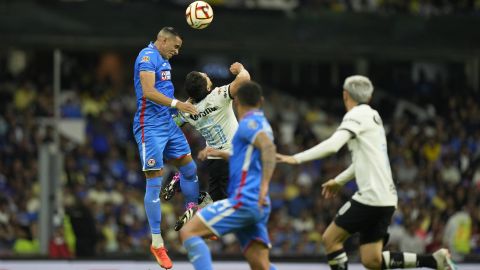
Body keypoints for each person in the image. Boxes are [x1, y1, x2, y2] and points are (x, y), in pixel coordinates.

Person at [277, 75, 456, 270]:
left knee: (330, 239)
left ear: (345, 95)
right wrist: (339, 180)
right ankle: (433, 261)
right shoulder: (374, 117)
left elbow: (333, 145)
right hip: (386, 198)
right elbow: (364, 162)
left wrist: (296, 158)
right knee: (372, 260)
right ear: (369, 98)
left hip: (371, 197)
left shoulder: (356, 115)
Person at [179, 81, 278, 270]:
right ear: (262, 101)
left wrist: (264, 186)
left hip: (245, 201)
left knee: (189, 232)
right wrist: (218, 153)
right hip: (258, 204)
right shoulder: (260, 123)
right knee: (260, 265)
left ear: (237, 101)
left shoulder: (249, 123)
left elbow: (268, 148)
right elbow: (248, 156)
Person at [132, 26, 200, 269]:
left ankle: (194, 217)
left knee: (190, 169)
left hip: (168, 124)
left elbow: (164, 94)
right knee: (153, 182)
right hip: (149, 127)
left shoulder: (164, 61)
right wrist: (178, 104)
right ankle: (157, 243)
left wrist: (181, 107)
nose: (177, 51)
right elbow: (149, 92)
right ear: (162, 40)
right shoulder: (147, 57)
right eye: (176, 46)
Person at [161, 62, 251, 230]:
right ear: (208, 88)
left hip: (213, 159)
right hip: (230, 158)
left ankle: (183, 186)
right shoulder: (218, 95)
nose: (209, 77)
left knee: (215, 198)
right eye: (207, 77)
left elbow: (173, 125)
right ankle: (196, 206)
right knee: (224, 206)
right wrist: (240, 69)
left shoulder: (188, 110)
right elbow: (245, 79)